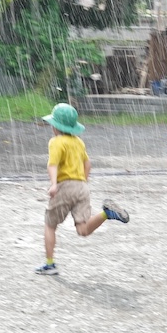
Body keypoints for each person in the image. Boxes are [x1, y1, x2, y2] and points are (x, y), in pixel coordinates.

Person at [36, 103, 129, 275]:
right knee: (83, 229)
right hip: (81, 187)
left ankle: (50, 264)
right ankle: (107, 213)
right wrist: (83, 183)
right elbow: (88, 164)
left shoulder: (56, 142)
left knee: (50, 225)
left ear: (56, 126)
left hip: (65, 186)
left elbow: (53, 165)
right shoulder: (78, 142)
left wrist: (54, 184)